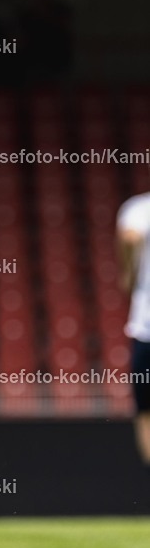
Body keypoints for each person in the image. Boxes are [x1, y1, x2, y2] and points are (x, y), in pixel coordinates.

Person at [117, 189, 150, 470]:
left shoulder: (138, 209)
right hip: (145, 327)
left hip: (145, 329)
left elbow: (130, 237)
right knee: (144, 410)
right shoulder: (139, 208)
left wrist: (129, 271)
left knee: (145, 412)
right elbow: (131, 236)